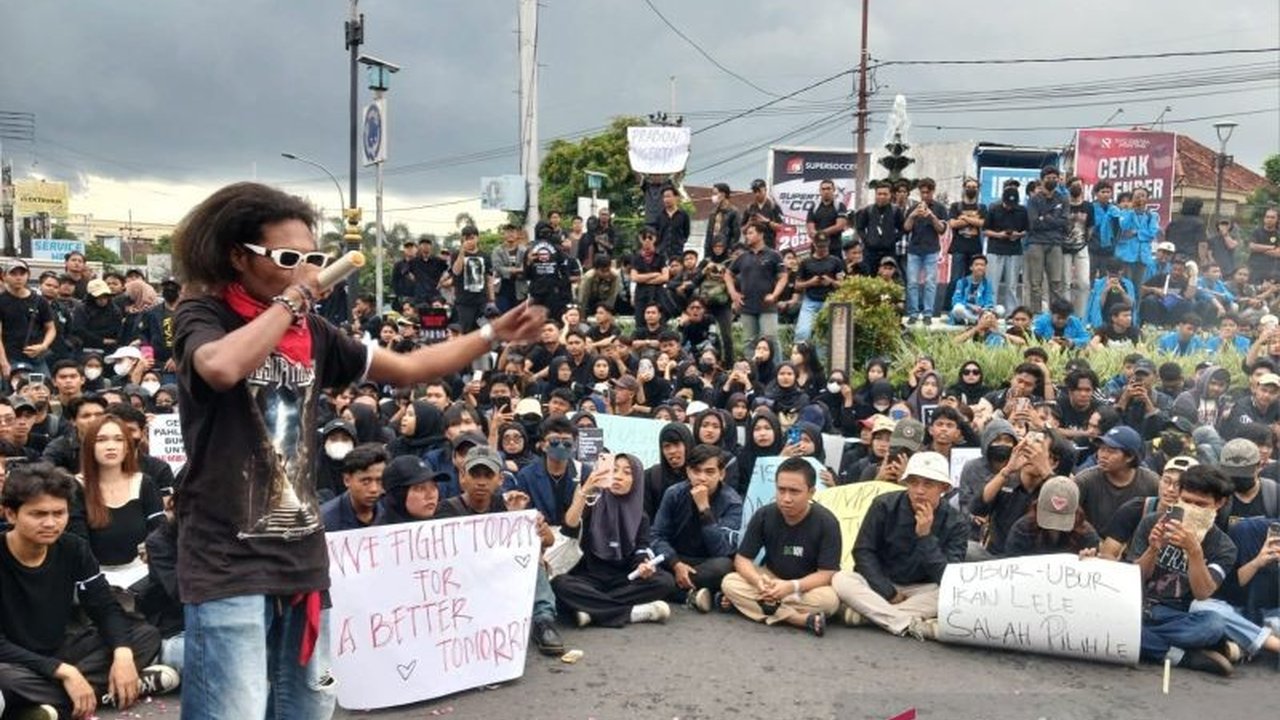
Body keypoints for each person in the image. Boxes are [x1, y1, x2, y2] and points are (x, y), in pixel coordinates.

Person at [170, 182, 544, 719]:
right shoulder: (203, 316)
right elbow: (222, 367)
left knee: (305, 707)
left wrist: (490, 333)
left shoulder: (315, 334)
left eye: (312, 258)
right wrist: (292, 301)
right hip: (226, 557)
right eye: (287, 258)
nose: (304, 269)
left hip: (300, 557)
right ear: (237, 256)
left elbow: (412, 367)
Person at [0, 462, 178, 719]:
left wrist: (123, 653)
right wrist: (64, 672)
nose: (51, 523)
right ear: (10, 514)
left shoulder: (73, 548)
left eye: (58, 513)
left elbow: (104, 606)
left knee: (143, 636)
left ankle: (48, 706)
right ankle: (108, 690)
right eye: (38, 514)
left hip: (63, 648)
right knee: (4, 678)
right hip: (14, 660)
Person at [435, 445, 565, 656]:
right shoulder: (446, 510)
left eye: (488, 475)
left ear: (500, 480)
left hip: (500, 576)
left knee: (534, 560)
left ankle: (544, 622)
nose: (481, 481)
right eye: (475, 474)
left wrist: (528, 523)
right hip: (465, 582)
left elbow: (548, 541)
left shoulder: (509, 505)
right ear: (462, 477)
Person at [833, 451, 966, 639]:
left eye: (928, 484)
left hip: (922, 589)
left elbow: (949, 578)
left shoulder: (956, 522)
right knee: (842, 579)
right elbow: (863, 551)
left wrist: (925, 537)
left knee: (952, 595)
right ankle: (905, 622)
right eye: (914, 482)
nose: (919, 490)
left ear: (943, 488)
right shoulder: (884, 505)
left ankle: (868, 615)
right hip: (880, 584)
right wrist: (887, 591)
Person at [1126, 465, 1239, 675]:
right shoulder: (1152, 522)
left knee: (1213, 625)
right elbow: (1133, 579)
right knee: (1115, 622)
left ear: (1219, 503)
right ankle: (1181, 656)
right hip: (1135, 606)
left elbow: (1203, 593)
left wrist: (1194, 551)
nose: (1192, 508)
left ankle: (1144, 640)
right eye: (1187, 501)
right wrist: (1152, 549)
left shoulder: (1224, 546)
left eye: (1200, 504)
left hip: (1174, 615)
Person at [552, 454, 677, 628]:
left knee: (664, 581)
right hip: (588, 577)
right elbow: (569, 526)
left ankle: (591, 608)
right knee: (560, 584)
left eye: (627, 472)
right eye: (614, 470)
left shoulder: (640, 516)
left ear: (637, 481)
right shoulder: (592, 504)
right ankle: (633, 613)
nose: (618, 476)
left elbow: (641, 549)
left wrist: (644, 566)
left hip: (623, 579)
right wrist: (584, 491)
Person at [721, 457, 842, 636]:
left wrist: (791, 587)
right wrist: (758, 582)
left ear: (811, 492)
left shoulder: (827, 522)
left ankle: (751, 605)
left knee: (829, 601)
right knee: (729, 582)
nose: (786, 498)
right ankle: (798, 619)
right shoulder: (764, 515)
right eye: (781, 490)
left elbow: (827, 573)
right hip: (771, 578)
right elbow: (742, 559)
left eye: (794, 491)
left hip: (806, 586)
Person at [650, 444, 743, 612]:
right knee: (646, 565)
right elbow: (657, 535)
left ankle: (674, 589)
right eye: (697, 471)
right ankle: (691, 595)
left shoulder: (732, 502)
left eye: (709, 472)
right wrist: (675, 564)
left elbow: (723, 550)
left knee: (724, 566)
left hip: (706, 562)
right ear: (688, 472)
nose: (702, 478)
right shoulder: (674, 493)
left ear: (721, 474)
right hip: (675, 558)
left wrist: (705, 510)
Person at [67, 414, 165, 570]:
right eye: (101, 440)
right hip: (94, 575)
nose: (111, 446)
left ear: (127, 447)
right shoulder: (75, 487)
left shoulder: (144, 483)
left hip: (141, 573)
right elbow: (79, 544)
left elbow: (159, 529)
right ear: (89, 446)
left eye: (119, 439)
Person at [1075, 426, 1160, 531]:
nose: (1103, 455)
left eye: (1111, 451)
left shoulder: (1152, 483)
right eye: (1101, 449)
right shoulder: (1084, 481)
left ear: (1130, 457)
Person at [507, 415, 588, 527]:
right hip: (540, 536)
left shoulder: (585, 473)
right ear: (543, 445)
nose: (561, 446)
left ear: (574, 445)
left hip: (576, 539)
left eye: (567, 442)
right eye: (554, 441)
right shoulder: (527, 476)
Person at [1004, 475, 1100, 557]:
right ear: (1037, 506)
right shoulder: (1022, 530)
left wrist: (1089, 561)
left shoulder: (1087, 535)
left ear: (1076, 512)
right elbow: (1011, 562)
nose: (1055, 526)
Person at [727, 223, 787, 345]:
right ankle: (751, 364)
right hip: (747, 306)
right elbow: (727, 274)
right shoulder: (743, 257)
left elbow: (783, 277)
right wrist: (733, 294)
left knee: (770, 341)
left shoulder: (774, 255)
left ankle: (777, 365)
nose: (747, 237)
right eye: (746, 234)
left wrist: (774, 295)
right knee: (749, 343)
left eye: (750, 233)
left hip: (767, 306)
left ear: (760, 235)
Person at [902, 178, 948, 324]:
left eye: (927, 192)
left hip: (931, 250)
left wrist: (931, 215)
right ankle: (913, 313)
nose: (924, 196)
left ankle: (928, 313)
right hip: (914, 249)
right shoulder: (913, 208)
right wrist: (912, 215)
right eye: (922, 192)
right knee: (912, 283)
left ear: (933, 192)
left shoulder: (940, 208)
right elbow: (906, 228)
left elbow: (941, 230)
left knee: (930, 282)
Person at [0, 259, 56, 378]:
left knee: (44, 389)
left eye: (22, 273)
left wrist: (43, 346)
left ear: (28, 275)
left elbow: (51, 328)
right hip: (11, 357)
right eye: (13, 274)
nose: (18, 277)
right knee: (12, 393)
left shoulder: (39, 300)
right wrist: (4, 363)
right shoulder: (2, 301)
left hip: (36, 358)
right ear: (4, 276)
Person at [1024, 166, 1068, 313]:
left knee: (1056, 283)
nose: (1052, 180)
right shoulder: (1034, 199)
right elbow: (1034, 224)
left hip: (1055, 243)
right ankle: (1036, 316)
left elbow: (1064, 222)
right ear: (1042, 180)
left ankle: (1056, 316)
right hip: (1036, 243)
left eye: (1055, 178)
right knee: (1036, 283)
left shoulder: (1062, 199)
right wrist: (1053, 220)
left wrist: (1046, 218)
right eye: (1049, 178)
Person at [318, 444, 386, 531]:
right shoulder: (325, 521)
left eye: (379, 481)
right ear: (347, 480)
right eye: (365, 481)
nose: (374, 489)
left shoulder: (392, 512)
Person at [793, 234, 845, 344]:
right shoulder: (805, 262)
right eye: (820, 246)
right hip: (810, 300)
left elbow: (843, 284)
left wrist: (830, 282)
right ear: (814, 245)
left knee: (824, 335)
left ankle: (822, 360)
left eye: (825, 247)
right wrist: (810, 282)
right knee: (803, 332)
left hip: (829, 300)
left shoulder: (836, 261)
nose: (823, 249)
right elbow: (797, 285)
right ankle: (799, 357)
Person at [984, 185, 1029, 311]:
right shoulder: (993, 209)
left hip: (1014, 250)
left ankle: (1011, 312)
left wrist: (1018, 235)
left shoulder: (1022, 211)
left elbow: (1027, 230)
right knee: (992, 283)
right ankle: (990, 309)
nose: (1010, 207)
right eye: (1008, 204)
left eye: (1012, 204)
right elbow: (985, 230)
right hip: (995, 249)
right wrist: (999, 235)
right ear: (1003, 200)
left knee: (1012, 285)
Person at [450, 225, 496, 332]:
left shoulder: (485, 256)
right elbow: (456, 271)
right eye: (466, 239)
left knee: (484, 331)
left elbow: (490, 280)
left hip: (481, 302)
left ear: (477, 238)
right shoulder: (456, 254)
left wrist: (492, 300)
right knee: (465, 332)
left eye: (472, 238)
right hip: (464, 303)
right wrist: (462, 252)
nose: (469, 241)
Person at [376, 456, 443, 525]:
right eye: (420, 489)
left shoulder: (446, 524)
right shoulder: (378, 533)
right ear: (398, 495)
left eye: (434, 487)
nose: (430, 495)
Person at [854, 182, 903, 272]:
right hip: (870, 252)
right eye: (879, 194)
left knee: (888, 277)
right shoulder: (868, 210)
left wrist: (893, 239)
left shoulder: (895, 211)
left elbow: (902, 229)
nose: (882, 196)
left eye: (885, 194)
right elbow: (860, 228)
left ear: (890, 195)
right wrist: (867, 240)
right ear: (875, 195)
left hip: (889, 251)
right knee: (869, 276)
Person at [949, 255, 999, 325]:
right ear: (971, 267)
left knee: (1000, 309)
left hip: (980, 312)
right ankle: (978, 321)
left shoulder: (987, 283)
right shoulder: (962, 282)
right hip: (966, 310)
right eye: (977, 265)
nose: (980, 267)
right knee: (958, 309)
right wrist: (970, 306)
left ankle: (975, 320)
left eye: (982, 265)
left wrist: (983, 308)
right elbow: (956, 300)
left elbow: (989, 300)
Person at [744, 178, 784, 249]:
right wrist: (749, 223)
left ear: (765, 190)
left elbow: (780, 227)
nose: (757, 194)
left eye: (759, 191)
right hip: (751, 246)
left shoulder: (773, 206)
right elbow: (742, 230)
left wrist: (767, 221)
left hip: (768, 245)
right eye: (754, 191)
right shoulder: (749, 208)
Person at [704, 183, 741, 256]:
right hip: (712, 251)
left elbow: (736, 235)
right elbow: (709, 234)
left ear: (723, 194)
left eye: (715, 193)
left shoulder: (733, 212)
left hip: (726, 251)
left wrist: (730, 250)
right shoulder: (713, 212)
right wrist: (707, 251)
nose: (713, 196)